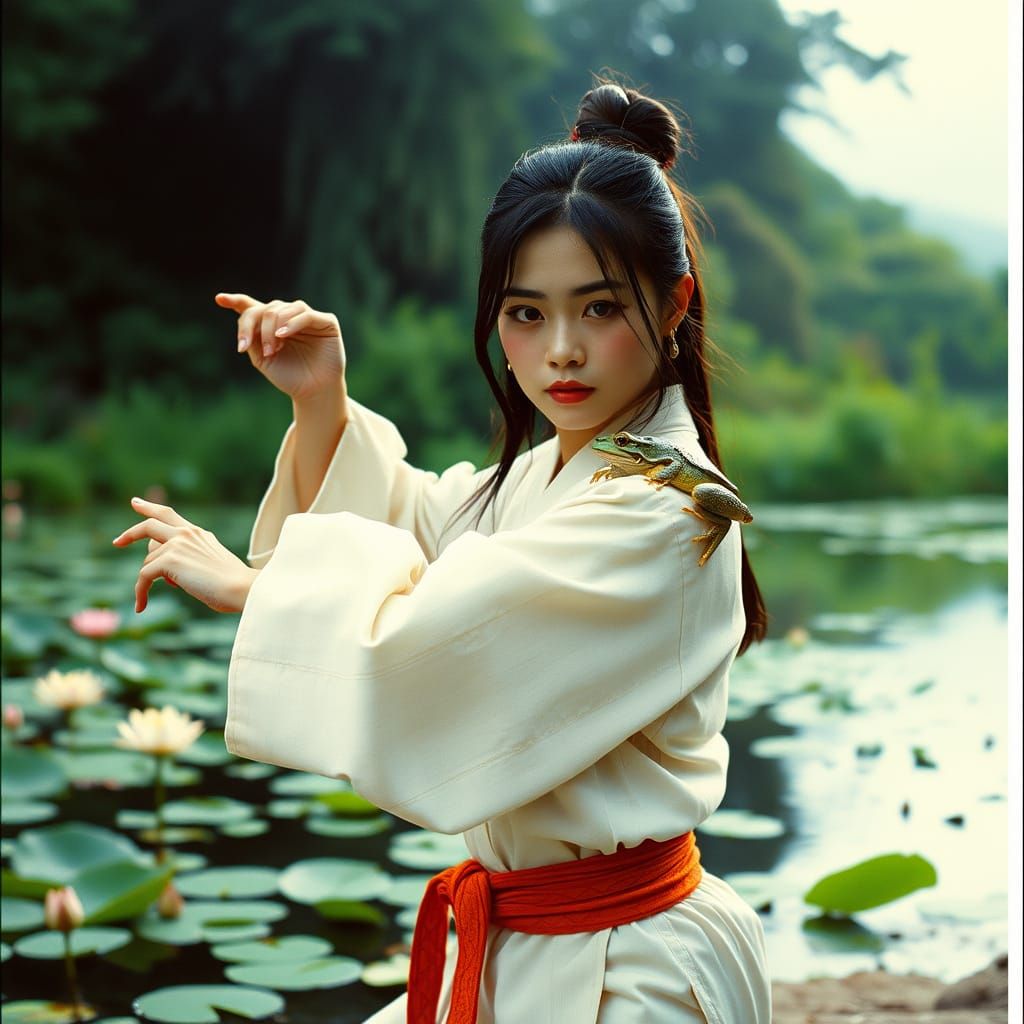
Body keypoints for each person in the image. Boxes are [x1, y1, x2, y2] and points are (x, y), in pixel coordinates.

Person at [114, 80, 772, 1022]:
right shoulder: (561, 473)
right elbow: (420, 521)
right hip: (522, 946)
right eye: (526, 314)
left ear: (674, 304)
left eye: (598, 308)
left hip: (626, 965)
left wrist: (257, 590)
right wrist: (322, 403)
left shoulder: (669, 509)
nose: (561, 354)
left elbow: (432, 632)